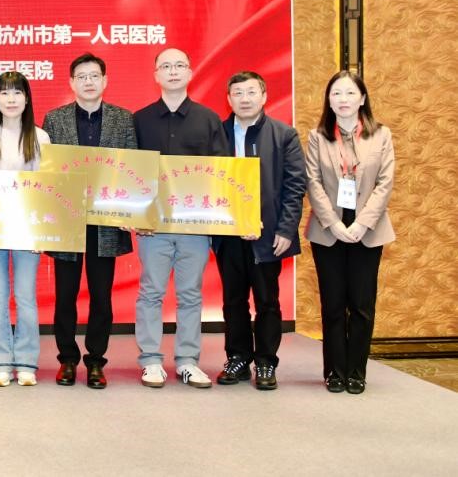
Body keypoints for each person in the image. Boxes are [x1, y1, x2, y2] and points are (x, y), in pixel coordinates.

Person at [132, 48, 229, 389]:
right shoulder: (139, 119)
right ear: (156, 75)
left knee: (190, 294)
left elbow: (222, 172)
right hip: (153, 226)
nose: (173, 71)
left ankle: (188, 361)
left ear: (189, 73)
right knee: (151, 292)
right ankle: (150, 360)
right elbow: (130, 172)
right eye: (165, 66)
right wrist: (135, 215)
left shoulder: (209, 119)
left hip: (195, 226)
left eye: (179, 66)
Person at [42, 52, 137, 390]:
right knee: (65, 296)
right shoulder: (54, 120)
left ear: (105, 80)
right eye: (81, 76)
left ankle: (96, 361)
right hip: (67, 221)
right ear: (71, 83)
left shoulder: (123, 119)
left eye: (94, 75)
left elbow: (131, 168)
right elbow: (47, 172)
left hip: (105, 223)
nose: (88, 82)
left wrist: (131, 211)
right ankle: (67, 360)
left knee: (101, 296)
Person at [305, 70, 395, 395]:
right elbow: (312, 181)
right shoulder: (318, 136)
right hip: (328, 231)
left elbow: (385, 183)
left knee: (361, 305)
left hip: (367, 230)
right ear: (328, 101)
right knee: (332, 305)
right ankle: (334, 371)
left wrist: (361, 223)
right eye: (336, 94)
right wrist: (333, 223)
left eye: (349, 93)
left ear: (362, 98)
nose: (343, 100)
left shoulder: (381, 135)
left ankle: (357, 371)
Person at [214, 71, 305, 391]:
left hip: (269, 236)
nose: (245, 99)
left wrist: (286, 229)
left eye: (251, 92)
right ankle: (238, 357)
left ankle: (266, 361)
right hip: (227, 234)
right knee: (233, 301)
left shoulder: (284, 135)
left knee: (267, 301)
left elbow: (295, 185)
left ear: (264, 96)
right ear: (229, 99)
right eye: (238, 93)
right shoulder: (217, 134)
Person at [0, 71, 50, 387]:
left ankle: (27, 361)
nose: (11, 99)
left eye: (17, 92)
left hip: (28, 230)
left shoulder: (40, 138)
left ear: (27, 99)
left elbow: (46, 189)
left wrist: (42, 232)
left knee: (26, 295)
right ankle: (1, 361)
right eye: (4, 93)